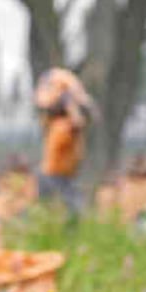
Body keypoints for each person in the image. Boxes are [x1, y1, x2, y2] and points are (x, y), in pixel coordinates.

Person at [33, 67, 95, 218]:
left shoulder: (56, 124)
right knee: (75, 215)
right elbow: (78, 123)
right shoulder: (63, 126)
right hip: (55, 178)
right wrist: (70, 103)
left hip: (59, 177)